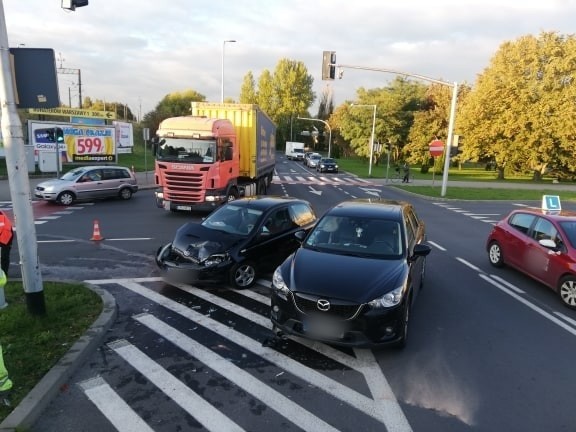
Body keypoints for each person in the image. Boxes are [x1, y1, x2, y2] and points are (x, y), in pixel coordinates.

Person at [0, 210, 14, 277]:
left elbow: (2, 227)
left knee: (4, 257)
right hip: (4, 234)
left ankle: (4, 275)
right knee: (4, 257)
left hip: (5, 237)